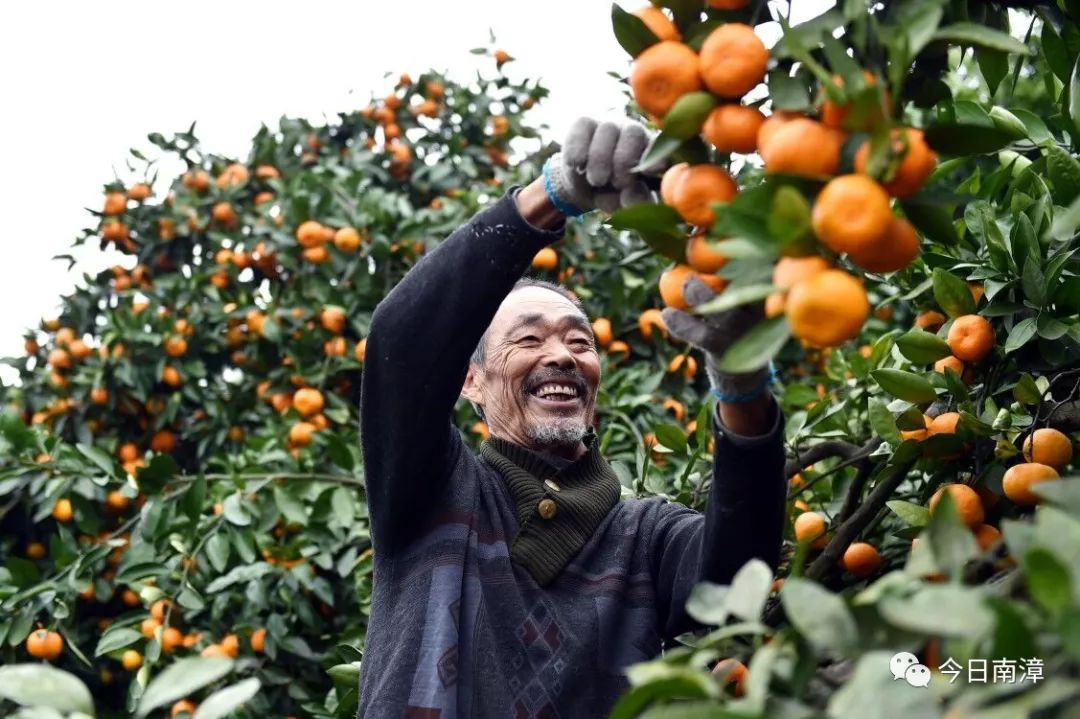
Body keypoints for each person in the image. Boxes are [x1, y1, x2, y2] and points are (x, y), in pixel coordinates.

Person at [358, 118, 785, 717]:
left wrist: (740, 383)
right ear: (471, 380)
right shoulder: (433, 491)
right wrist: (552, 193)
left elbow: (736, 572)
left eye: (580, 343)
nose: (560, 353)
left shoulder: (645, 537)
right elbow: (403, 344)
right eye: (527, 339)